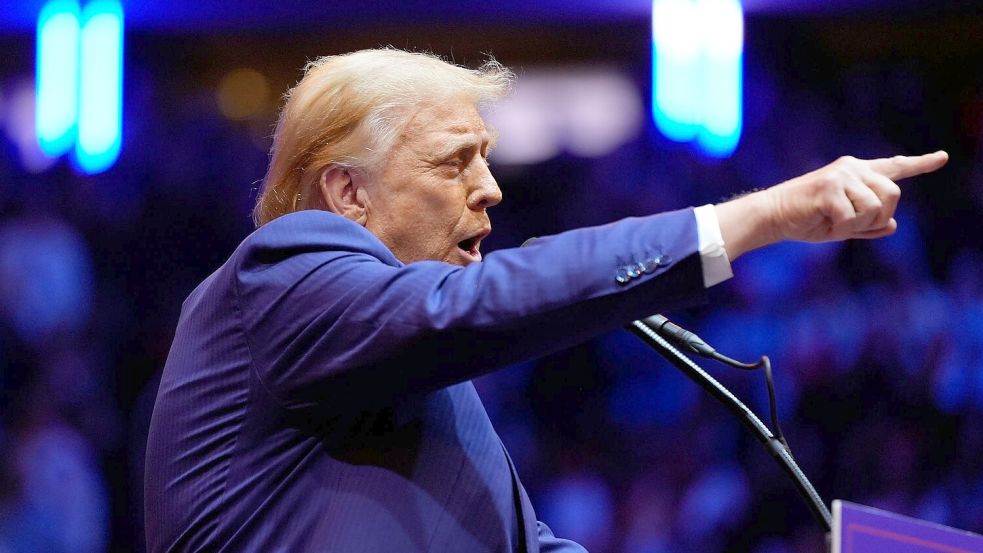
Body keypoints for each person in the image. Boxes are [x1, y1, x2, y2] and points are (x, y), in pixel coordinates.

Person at [143, 48, 948, 552]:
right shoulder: (280, 274)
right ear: (348, 192)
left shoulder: (413, 376)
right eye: (455, 161)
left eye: (485, 159)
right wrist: (757, 218)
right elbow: (487, 304)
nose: (490, 188)